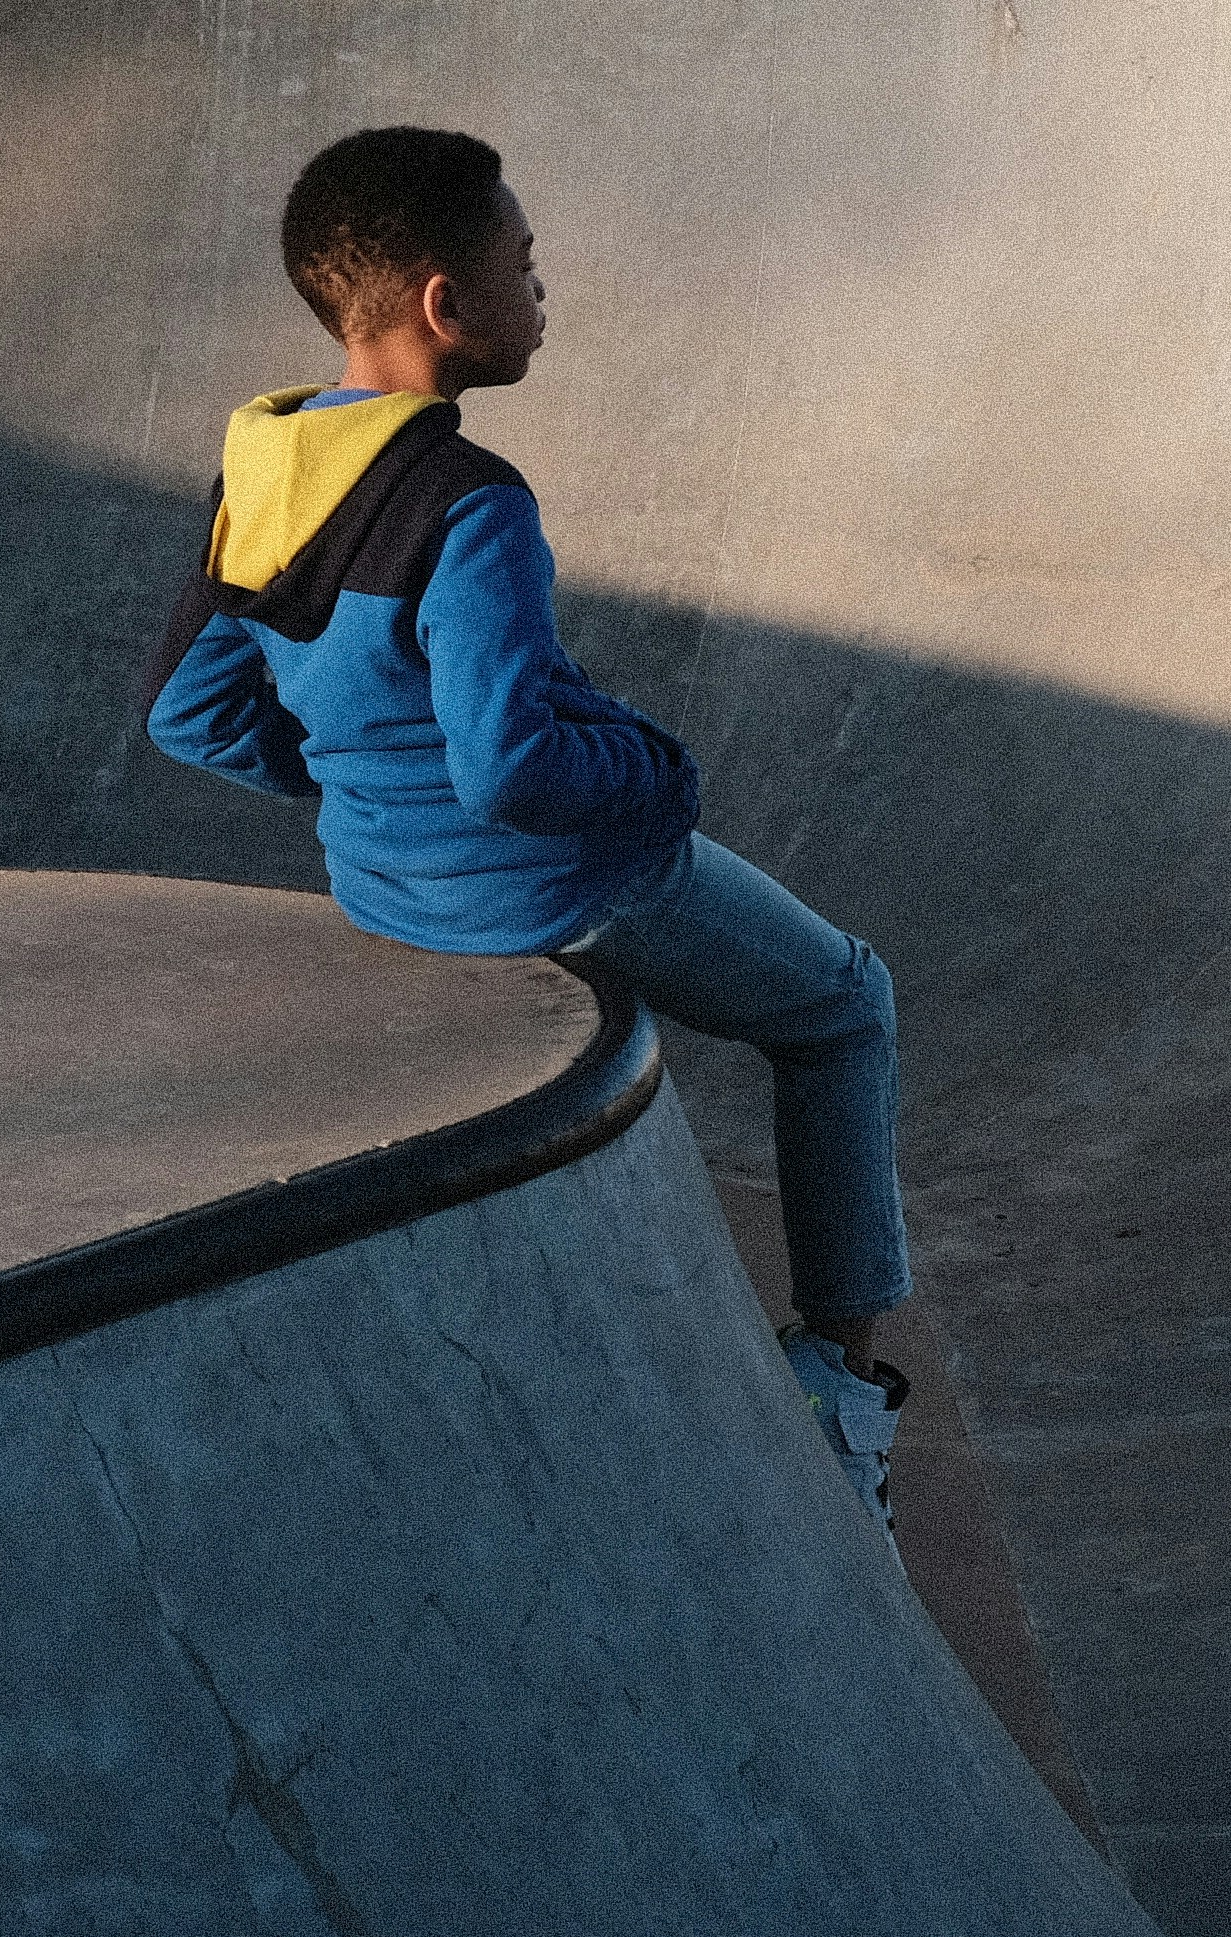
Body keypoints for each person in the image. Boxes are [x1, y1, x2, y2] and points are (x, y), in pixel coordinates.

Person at [141, 124, 916, 1524]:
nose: (542, 291)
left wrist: (376, 800)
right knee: (848, 1008)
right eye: (527, 263)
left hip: (387, 888)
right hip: (562, 884)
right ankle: (841, 1389)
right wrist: (662, 776)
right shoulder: (471, 502)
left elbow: (188, 715)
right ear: (447, 304)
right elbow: (511, 769)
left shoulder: (263, 468)